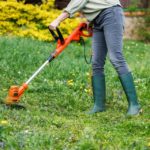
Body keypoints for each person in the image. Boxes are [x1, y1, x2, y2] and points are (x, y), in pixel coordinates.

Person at [49, 0, 142, 115]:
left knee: (116, 58)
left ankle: (135, 105)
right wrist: (91, 20)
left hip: (110, 14)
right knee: (96, 62)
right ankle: (99, 105)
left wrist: (58, 20)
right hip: (97, 21)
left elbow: (78, 2)